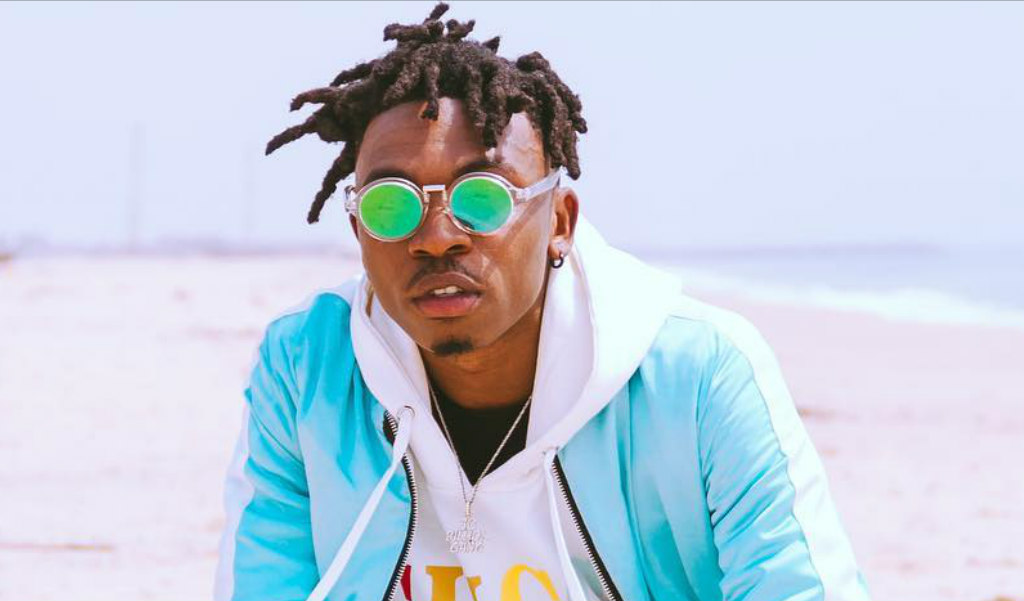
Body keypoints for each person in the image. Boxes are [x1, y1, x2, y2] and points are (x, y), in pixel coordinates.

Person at [214, 4, 872, 600]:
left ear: (560, 221)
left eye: (482, 198)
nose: (437, 238)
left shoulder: (698, 374)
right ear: (359, 231)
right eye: (392, 205)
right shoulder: (307, 370)